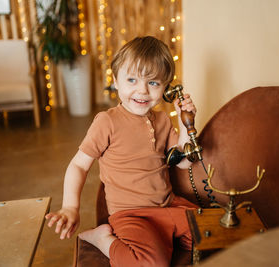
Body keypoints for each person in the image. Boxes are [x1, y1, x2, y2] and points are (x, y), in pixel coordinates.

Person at [45, 36, 198, 267]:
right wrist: (70, 207)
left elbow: (184, 163)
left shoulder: (163, 120)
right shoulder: (107, 122)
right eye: (132, 80)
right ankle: (102, 239)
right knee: (151, 264)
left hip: (169, 206)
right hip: (131, 216)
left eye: (154, 83)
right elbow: (78, 165)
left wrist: (188, 124)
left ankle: (166, 237)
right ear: (116, 80)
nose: (142, 91)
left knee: (214, 233)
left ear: (166, 88)